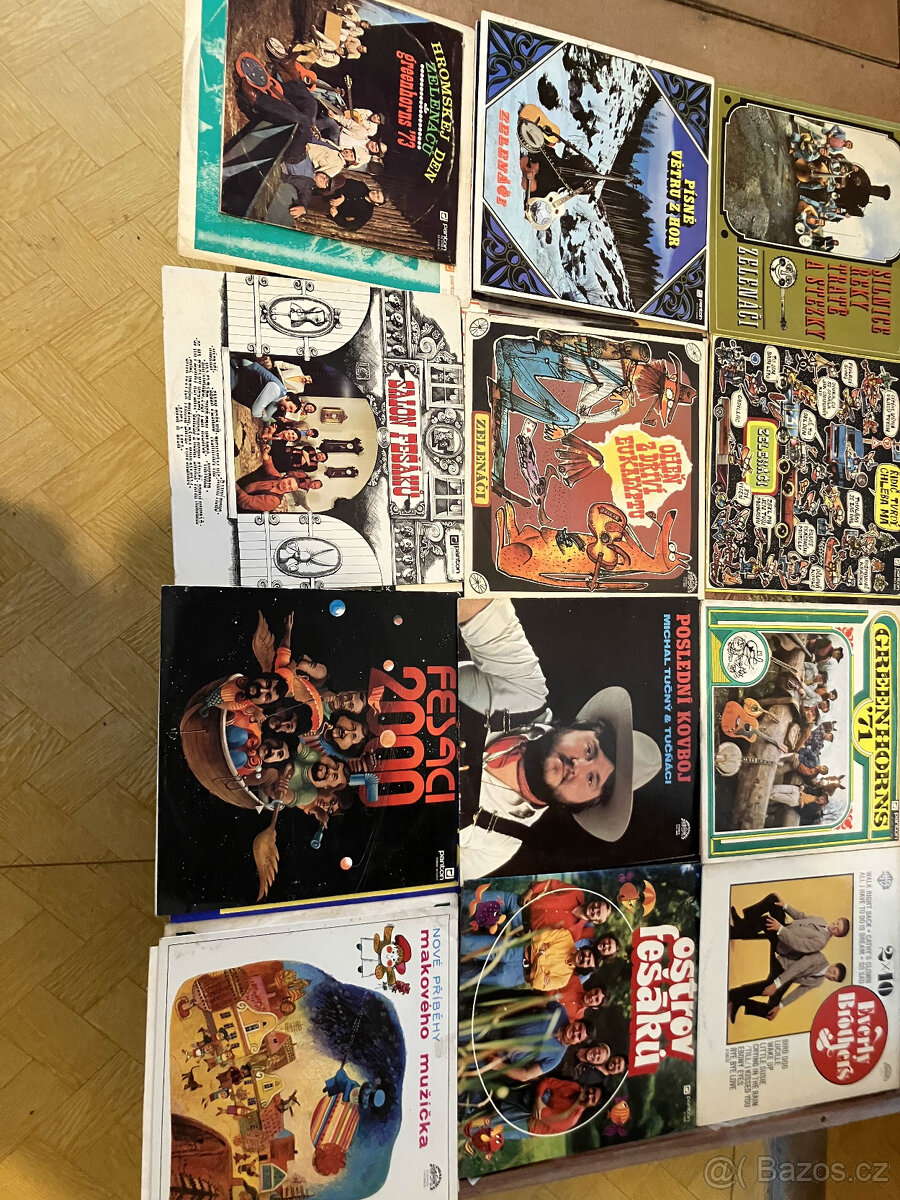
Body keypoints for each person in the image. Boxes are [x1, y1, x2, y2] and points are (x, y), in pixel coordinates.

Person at [457, 598, 662, 881]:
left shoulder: (499, 845)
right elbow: (479, 601)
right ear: (580, 727)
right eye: (589, 750)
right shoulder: (526, 689)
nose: (577, 766)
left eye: (591, 779)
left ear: (582, 806)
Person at [730, 954, 846, 1022]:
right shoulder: (819, 958)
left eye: (833, 978)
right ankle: (733, 994)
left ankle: (741, 1001)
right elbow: (797, 968)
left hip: (789, 978)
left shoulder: (818, 981)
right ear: (833, 965)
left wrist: (780, 1006)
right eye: (833, 972)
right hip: (784, 964)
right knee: (767, 987)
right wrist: (776, 984)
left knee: (770, 1012)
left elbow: (799, 992)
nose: (830, 975)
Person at [730, 893, 849, 954]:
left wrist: (780, 929)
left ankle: (736, 932)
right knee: (773, 899)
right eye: (837, 922)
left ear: (837, 935)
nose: (834, 926)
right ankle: (742, 923)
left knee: (766, 921)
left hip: (782, 942)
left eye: (837, 929)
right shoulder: (822, 921)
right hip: (785, 927)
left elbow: (798, 944)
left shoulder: (821, 942)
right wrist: (785, 906)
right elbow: (801, 916)